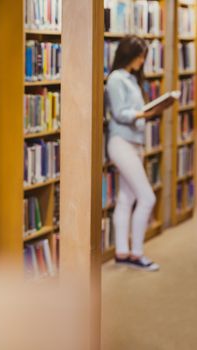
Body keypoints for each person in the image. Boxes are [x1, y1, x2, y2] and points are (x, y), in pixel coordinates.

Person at [105, 35, 172, 271]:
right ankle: (137, 254)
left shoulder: (132, 79)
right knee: (147, 197)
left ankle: (122, 252)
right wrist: (143, 114)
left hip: (136, 143)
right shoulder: (115, 79)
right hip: (121, 142)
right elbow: (121, 113)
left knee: (127, 199)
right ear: (130, 54)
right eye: (141, 56)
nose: (143, 61)